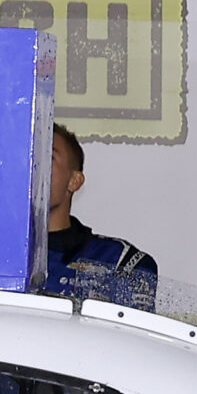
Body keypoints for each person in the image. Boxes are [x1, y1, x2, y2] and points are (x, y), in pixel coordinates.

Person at [43, 122, 156, 305]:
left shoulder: (119, 261)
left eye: (48, 156)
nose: (33, 165)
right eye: (25, 156)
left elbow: (126, 333)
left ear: (74, 181)